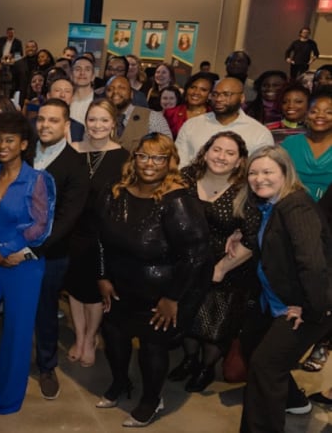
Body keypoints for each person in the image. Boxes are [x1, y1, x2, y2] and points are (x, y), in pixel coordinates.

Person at [95, 133, 209, 427]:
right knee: (115, 339)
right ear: (134, 158)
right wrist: (104, 276)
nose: (149, 163)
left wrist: (172, 298)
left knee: (151, 349)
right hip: (119, 287)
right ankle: (120, 383)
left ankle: (151, 399)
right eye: (143, 155)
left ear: (170, 162)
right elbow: (101, 240)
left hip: (159, 295)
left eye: (159, 157)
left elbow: (195, 257)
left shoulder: (178, 201)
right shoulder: (116, 192)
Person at [0, 111, 56, 414]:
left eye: (10, 140)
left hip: (24, 268)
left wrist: (7, 249)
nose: (3, 145)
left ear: (24, 143)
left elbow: (39, 226)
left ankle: (6, 397)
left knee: (17, 333)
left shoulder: (38, 180)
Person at [237, 146, 332, 433]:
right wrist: (239, 235)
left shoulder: (296, 206)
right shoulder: (270, 205)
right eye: (253, 172)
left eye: (268, 172)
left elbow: (312, 264)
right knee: (254, 347)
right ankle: (294, 400)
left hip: (307, 307)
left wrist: (310, 308)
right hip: (276, 302)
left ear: (285, 172)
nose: (259, 178)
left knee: (266, 366)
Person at [166, 132, 260, 393]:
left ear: (240, 161)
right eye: (216, 150)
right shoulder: (184, 178)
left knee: (212, 325)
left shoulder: (245, 190)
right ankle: (189, 360)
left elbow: (252, 238)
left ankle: (207, 367)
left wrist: (220, 269)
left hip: (225, 269)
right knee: (186, 318)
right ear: (205, 152)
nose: (221, 157)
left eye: (230, 153)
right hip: (184, 264)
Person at [30, 99, 88, 399]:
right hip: (14, 245)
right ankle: (12, 361)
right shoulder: (23, 152)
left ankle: (47, 365)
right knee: (14, 309)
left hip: (50, 253)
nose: (45, 125)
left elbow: (68, 216)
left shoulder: (76, 163)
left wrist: (33, 247)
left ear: (66, 125)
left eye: (53, 120)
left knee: (45, 309)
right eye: (41, 119)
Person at [67, 100, 129, 368]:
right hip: (72, 229)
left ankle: (92, 337)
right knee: (74, 288)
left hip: (102, 233)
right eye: (92, 120)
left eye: (104, 120)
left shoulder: (123, 156)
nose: (97, 126)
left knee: (93, 292)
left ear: (113, 124)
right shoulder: (72, 151)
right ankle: (79, 336)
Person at [281, 92, 332, 201]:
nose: (320, 116)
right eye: (314, 111)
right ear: (306, 114)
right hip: (294, 208)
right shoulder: (289, 143)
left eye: (329, 112)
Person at [163, 72, 214, 138]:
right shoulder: (171, 113)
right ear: (187, 89)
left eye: (203, 90)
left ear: (210, 95)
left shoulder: (214, 116)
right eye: (193, 87)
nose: (196, 92)